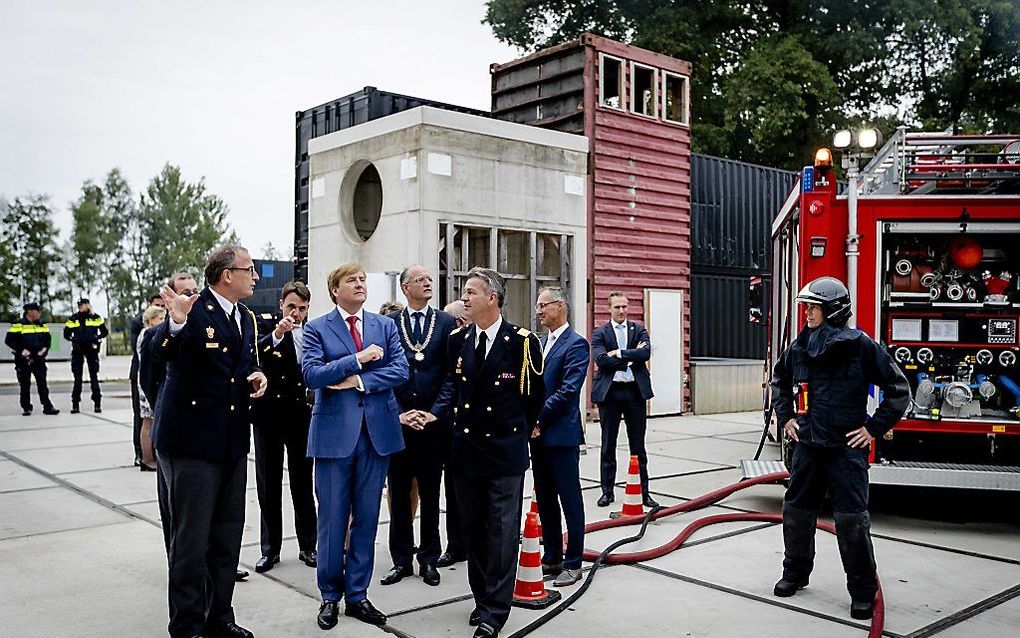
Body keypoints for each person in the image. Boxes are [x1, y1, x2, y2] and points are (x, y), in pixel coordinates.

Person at [771, 276, 909, 620]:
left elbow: (898, 389)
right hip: (809, 447)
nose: (806, 313)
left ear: (833, 310)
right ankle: (795, 574)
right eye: (806, 307)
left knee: (851, 522)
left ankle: (862, 592)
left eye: (813, 307)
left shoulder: (859, 345)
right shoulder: (801, 345)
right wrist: (786, 416)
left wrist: (873, 429)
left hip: (846, 451)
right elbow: (780, 378)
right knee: (797, 513)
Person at [149, 246, 267, 638]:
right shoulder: (193, 309)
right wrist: (176, 324)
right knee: (191, 542)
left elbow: (243, 364)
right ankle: (187, 626)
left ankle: (220, 618)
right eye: (249, 270)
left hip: (231, 443)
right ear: (226, 274)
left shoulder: (245, 317)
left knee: (226, 538)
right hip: (192, 444)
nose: (255, 276)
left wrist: (256, 376)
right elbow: (157, 354)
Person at [301, 262, 409, 631]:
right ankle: (330, 595)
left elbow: (401, 371)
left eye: (363, 279)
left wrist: (356, 381)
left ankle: (358, 595)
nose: (361, 284)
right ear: (335, 290)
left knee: (366, 518)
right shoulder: (317, 328)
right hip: (333, 438)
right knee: (332, 520)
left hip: (376, 434)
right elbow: (313, 374)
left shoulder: (385, 326)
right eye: (352, 280)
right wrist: (357, 359)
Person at [444, 267, 545, 638]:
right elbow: (453, 392)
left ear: (493, 298)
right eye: (464, 292)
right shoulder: (458, 340)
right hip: (466, 451)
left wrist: (516, 433)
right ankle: (482, 598)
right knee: (473, 531)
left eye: (471, 291)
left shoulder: (521, 342)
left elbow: (534, 397)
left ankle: (495, 612)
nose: (465, 298)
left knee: (502, 534)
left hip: (503, 451)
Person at [379, 265, 457, 588]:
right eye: (421, 280)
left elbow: (452, 376)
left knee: (430, 491)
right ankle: (401, 560)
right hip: (399, 424)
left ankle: (428, 559)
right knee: (398, 493)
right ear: (405, 287)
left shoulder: (447, 323)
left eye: (430, 280)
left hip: (433, 426)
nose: (428, 284)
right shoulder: (389, 324)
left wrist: (434, 412)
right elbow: (384, 374)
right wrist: (401, 412)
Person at [251, 281, 317, 573]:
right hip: (268, 415)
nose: (296, 313)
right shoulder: (266, 326)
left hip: (299, 415)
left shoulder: (312, 332)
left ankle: (308, 545)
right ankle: (270, 548)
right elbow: (255, 354)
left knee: (303, 483)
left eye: (302, 308)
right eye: (292, 306)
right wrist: (279, 332)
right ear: (281, 305)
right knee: (269, 483)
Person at [532, 287, 589, 587]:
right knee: (545, 499)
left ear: (560, 307)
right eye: (538, 306)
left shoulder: (576, 345)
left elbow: (568, 391)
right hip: (538, 435)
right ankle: (551, 557)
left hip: (561, 434)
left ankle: (574, 560)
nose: (538, 310)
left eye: (543, 305)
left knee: (569, 498)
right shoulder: (540, 343)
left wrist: (538, 418)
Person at [591, 291, 657, 508]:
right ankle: (607, 492)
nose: (621, 311)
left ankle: (644, 492)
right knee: (608, 444)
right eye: (617, 307)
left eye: (625, 307)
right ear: (609, 308)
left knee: (638, 445)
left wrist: (618, 354)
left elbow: (645, 354)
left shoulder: (638, 329)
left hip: (634, 392)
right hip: (610, 393)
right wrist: (630, 357)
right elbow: (601, 360)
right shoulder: (600, 333)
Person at [438, 297, 471, 567]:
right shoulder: (450, 344)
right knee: (453, 489)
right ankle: (455, 545)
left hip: (479, 430)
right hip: (453, 427)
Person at [5, 302, 59, 417]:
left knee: (42, 384)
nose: (39, 313)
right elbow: (9, 340)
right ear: (30, 311)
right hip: (23, 359)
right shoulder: (18, 324)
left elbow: (48, 340)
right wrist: (21, 350)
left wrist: (44, 349)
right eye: (37, 311)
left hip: (39, 359)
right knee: (25, 384)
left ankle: (48, 407)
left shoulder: (42, 325)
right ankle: (26, 407)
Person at [131, 293, 165, 466]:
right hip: (146, 380)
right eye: (160, 318)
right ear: (151, 320)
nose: (163, 320)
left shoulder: (147, 333)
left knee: (148, 420)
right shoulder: (147, 334)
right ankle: (147, 458)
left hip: (146, 379)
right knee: (147, 421)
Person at [64, 297, 109, 413]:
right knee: (77, 378)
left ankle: (97, 403)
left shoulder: (96, 317)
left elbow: (104, 332)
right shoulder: (74, 318)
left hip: (91, 349)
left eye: (83, 304)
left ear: (88, 305)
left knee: (94, 377)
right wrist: (74, 340)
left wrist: (96, 340)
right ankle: (75, 404)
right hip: (78, 350)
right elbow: (66, 334)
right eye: (79, 305)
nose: (81, 307)